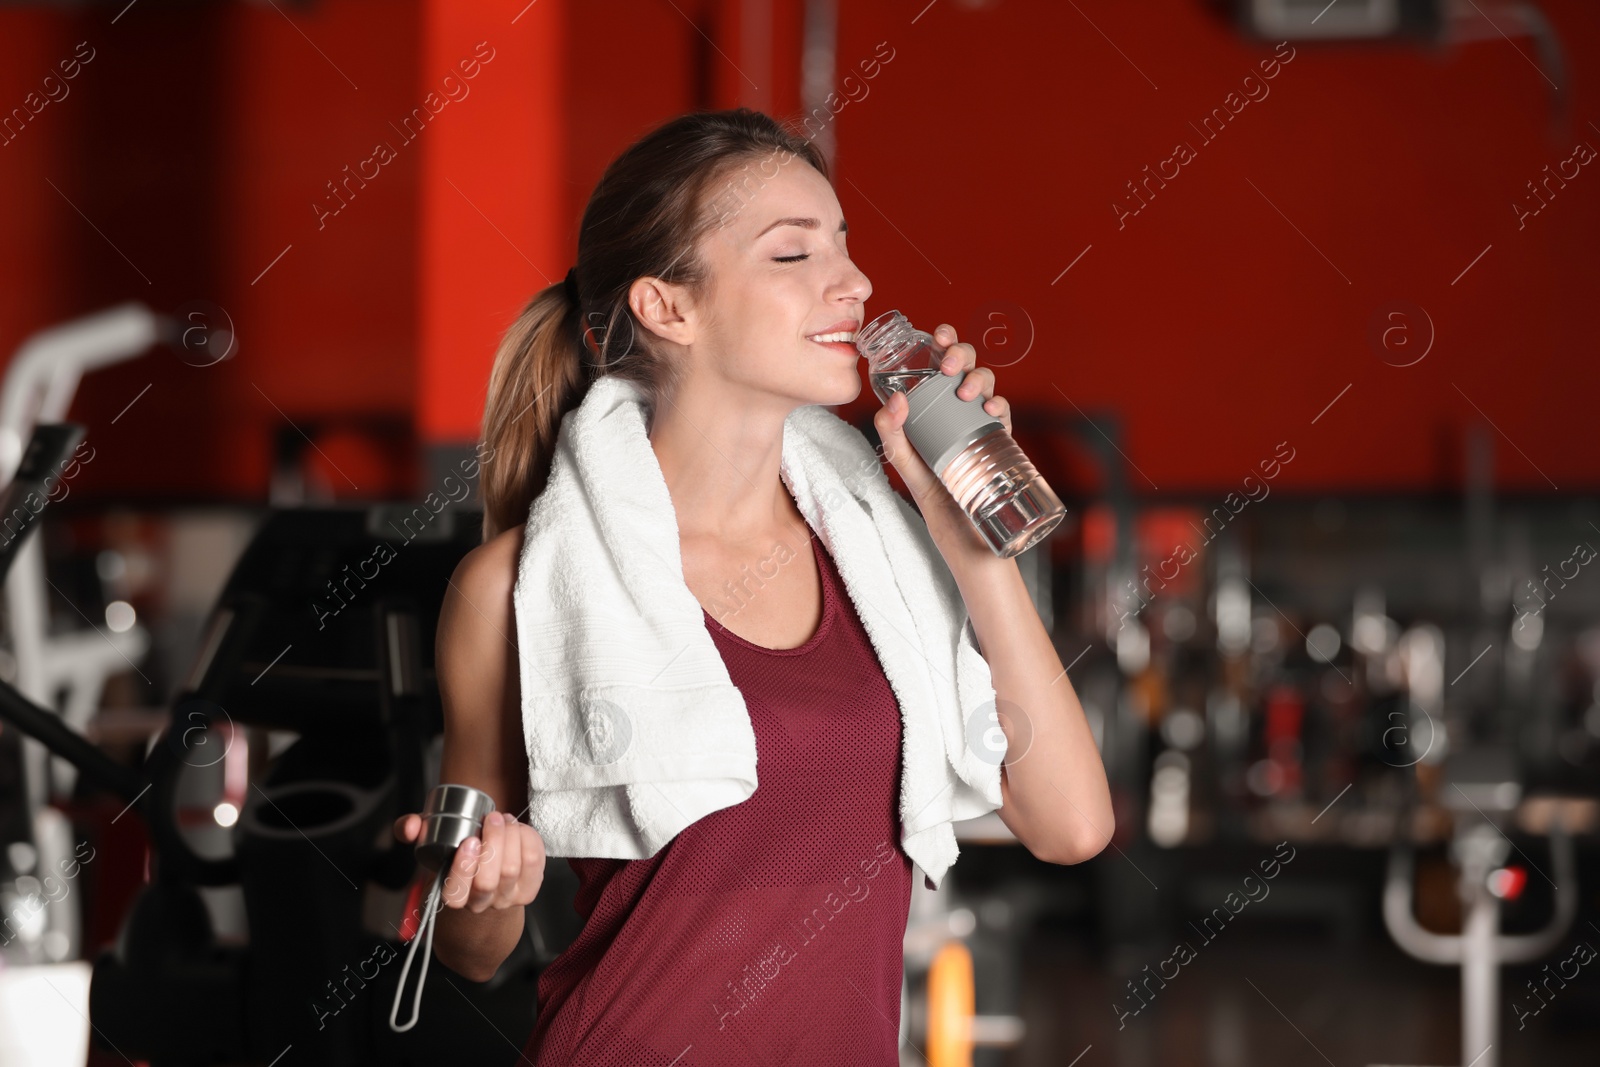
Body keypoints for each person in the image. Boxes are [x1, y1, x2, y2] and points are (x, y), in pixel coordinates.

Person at [391, 107, 1113, 1064]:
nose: (853, 285)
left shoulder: (884, 562)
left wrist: (974, 545)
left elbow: (1071, 824)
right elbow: (470, 949)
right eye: (791, 256)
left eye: (846, 250)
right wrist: (489, 893)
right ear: (667, 307)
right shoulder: (517, 587)